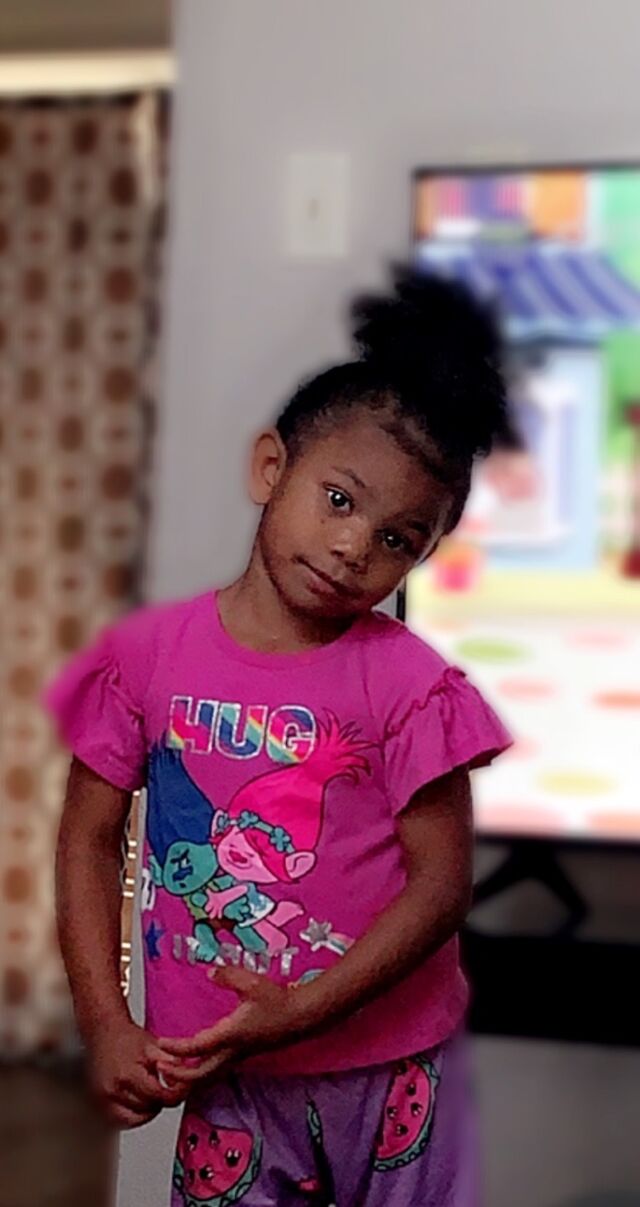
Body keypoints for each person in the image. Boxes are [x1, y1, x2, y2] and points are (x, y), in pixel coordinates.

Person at [47, 268, 512, 1207]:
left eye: (399, 538)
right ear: (272, 468)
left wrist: (300, 1009)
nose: (355, 547)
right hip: (230, 1072)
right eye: (340, 499)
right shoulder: (146, 657)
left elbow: (441, 885)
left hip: (394, 1071)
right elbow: (89, 837)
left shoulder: (412, 686)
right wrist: (106, 1022)